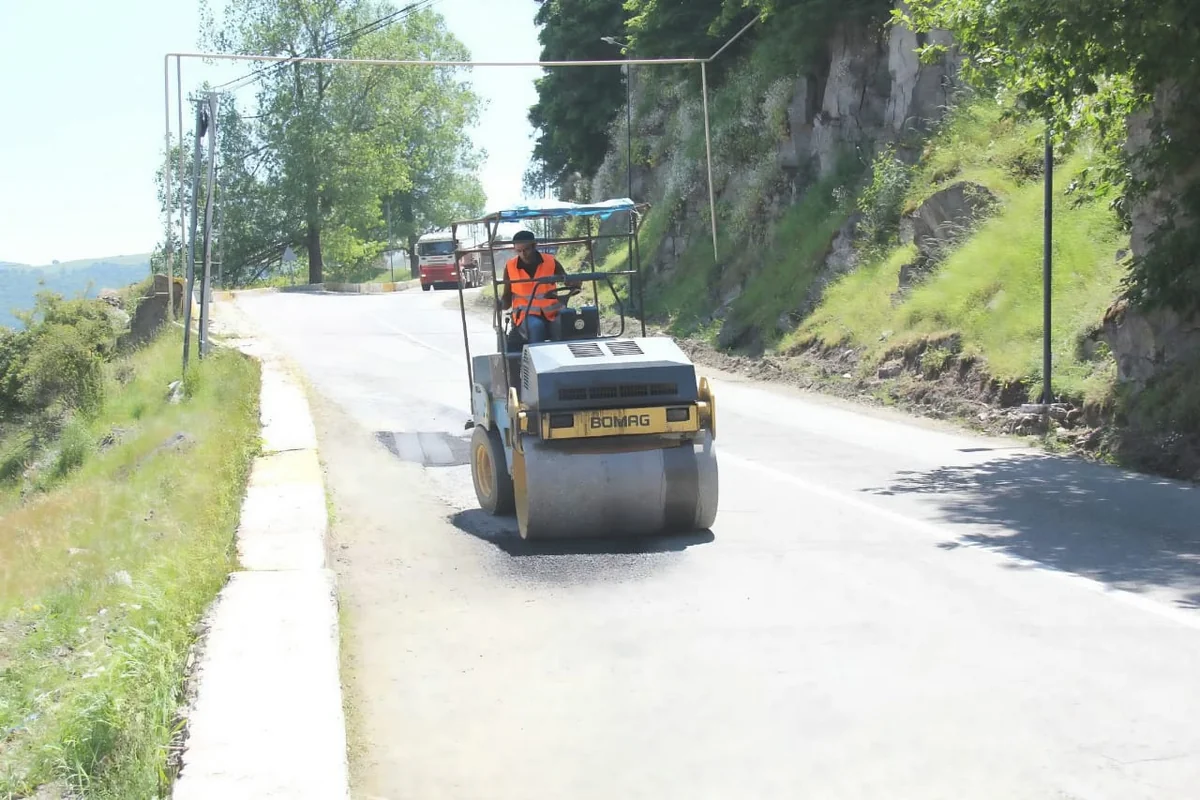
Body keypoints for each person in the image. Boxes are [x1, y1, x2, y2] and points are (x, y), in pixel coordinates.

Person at [499, 229, 579, 344]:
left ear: (535, 246)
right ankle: (537, 360)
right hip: (525, 316)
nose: (523, 254)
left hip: (553, 313)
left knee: (572, 321)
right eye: (519, 251)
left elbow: (567, 281)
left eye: (526, 249)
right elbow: (506, 298)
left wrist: (574, 283)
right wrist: (500, 304)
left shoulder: (550, 261)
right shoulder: (510, 267)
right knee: (537, 326)